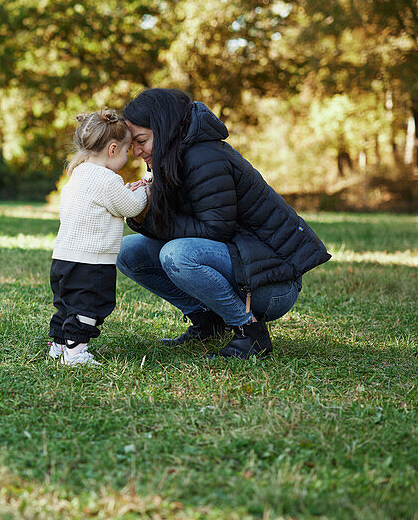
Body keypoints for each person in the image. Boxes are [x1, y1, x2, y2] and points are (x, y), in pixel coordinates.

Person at [115, 88, 331, 359]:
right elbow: (181, 224)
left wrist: (150, 215)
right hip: (241, 268)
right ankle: (208, 322)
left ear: (164, 128)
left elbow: (215, 231)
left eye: (142, 140)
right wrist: (143, 213)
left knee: (178, 255)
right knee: (128, 251)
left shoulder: (204, 157)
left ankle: (249, 331)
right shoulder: (173, 158)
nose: (136, 151)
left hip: (271, 287)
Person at [49, 108, 149, 366]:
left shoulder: (79, 175)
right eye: (127, 151)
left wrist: (127, 191)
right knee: (89, 307)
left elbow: (110, 201)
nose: (128, 156)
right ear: (113, 149)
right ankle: (75, 352)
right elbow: (131, 208)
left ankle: (59, 346)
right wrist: (146, 191)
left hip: (63, 259)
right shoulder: (106, 178)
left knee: (66, 305)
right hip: (91, 262)